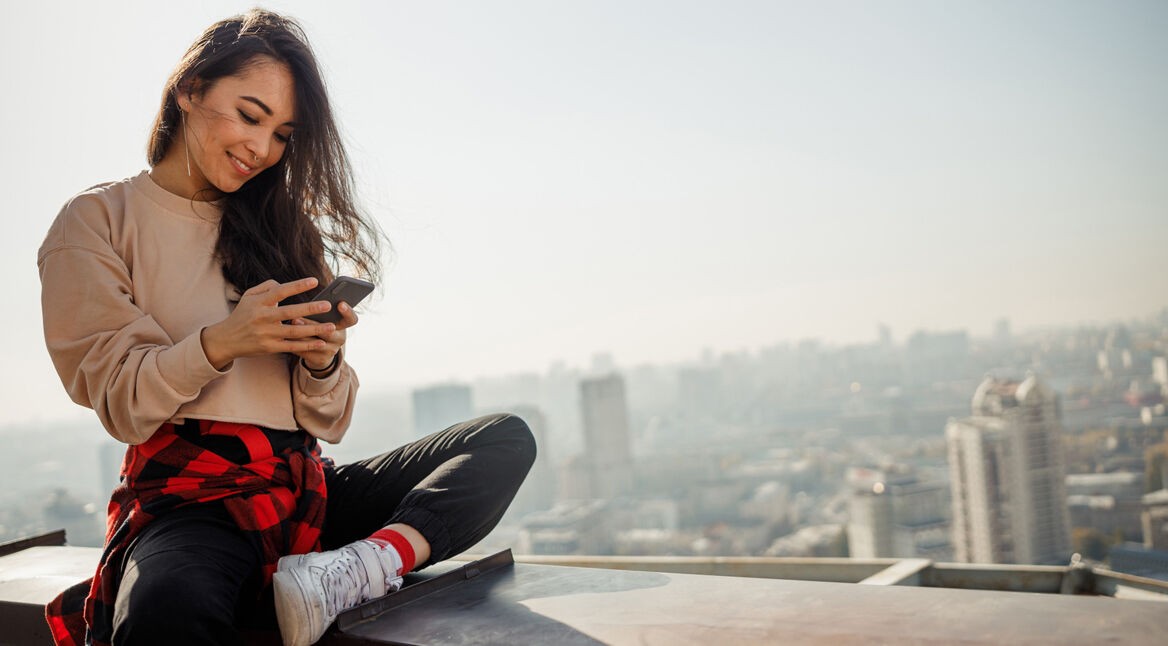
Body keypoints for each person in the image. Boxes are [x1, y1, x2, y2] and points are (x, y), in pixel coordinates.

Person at [37, 9, 535, 646]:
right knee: (165, 607)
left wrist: (323, 361)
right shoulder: (97, 221)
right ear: (190, 89)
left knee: (503, 439)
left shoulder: (281, 227)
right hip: (190, 499)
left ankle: (361, 569)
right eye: (250, 116)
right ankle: (337, 572)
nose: (262, 149)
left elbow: (327, 418)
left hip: (303, 489)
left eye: (282, 134)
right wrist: (225, 342)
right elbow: (120, 400)